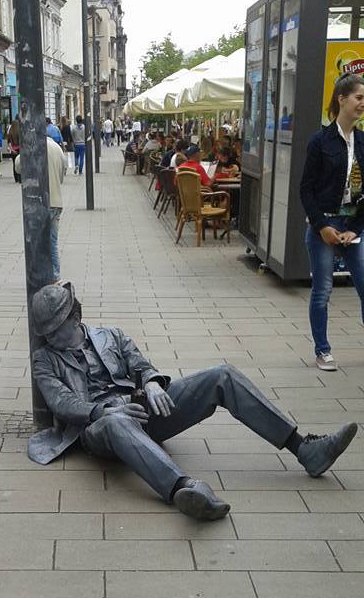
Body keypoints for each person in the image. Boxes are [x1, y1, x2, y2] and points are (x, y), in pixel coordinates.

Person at [26, 282, 357, 521]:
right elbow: (62, 402)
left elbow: (141, 365)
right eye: (46, 333)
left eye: (55, 329)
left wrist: (152, 383)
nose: (50, 338)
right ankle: (184, 489)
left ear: (75, 317)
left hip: (142, 409)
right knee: (116, 420)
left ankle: (305, 449)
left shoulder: (111, 335)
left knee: (221, 375)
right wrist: (104, 409)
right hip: (98, 427)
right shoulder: (44, 359)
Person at [300, 74, 364, 371]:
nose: (362, 103)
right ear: (341, 99)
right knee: (322, 289)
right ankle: (322, 350)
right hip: (324, 222)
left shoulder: (362, 141)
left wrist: (356, 228)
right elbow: (306, 189)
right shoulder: (320, 140)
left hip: (353, 225)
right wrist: (321, 226)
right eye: (359, 98)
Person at [15, 137, 66, 281]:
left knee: (36, 243)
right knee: (52, 242)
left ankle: (39, 275)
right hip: (56, 201)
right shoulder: (57, 148)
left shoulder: (32, 145)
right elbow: (63, 173)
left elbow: (18, 166)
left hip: (38, 202)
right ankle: (55, 275)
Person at [7, 117, 21, 183]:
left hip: (13, 151)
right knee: (20, 163)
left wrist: (12, 150)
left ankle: (16, 178)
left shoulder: (10, 132)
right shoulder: (19, 132)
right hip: (20, 150)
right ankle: (20, 177)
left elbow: (9, 142)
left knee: (14, 164)